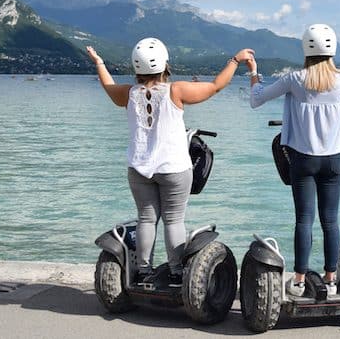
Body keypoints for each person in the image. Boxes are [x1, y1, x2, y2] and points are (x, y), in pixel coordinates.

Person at [87, 38, 255, 287]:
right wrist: (236, 60)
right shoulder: (176, 90)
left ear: (136, 67)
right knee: (174, 220)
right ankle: (177, 272)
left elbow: (108, 85)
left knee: (146, 219)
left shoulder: (128, 94)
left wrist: (99, 62)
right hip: (174, 168)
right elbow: (217, 86)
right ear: (165, 64)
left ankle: (143, 272)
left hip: (139, 169)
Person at [248, 24, 340, 296]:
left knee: (304, 220)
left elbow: (257, 99)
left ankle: (300, 281)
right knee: (331, 221)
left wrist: (254, 72)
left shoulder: (294, 79)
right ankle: (330, 279)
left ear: (305, 49)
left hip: (303, 161)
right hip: (334, 161)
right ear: (333, 50)